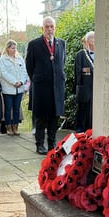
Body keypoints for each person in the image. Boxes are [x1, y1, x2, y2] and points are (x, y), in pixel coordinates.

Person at [25, 16, 66, 155]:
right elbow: (29, 66)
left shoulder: (61, 43)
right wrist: (37, 78)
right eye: (47, 27)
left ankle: (52, 143)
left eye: (52, 26)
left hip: (57, 87)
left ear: (55, 28)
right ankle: (39, 144)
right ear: (42, 28)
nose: (49, 29)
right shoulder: (34, 44)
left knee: (55, 117)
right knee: (41, 118)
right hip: (41, 87)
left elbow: (62, 63)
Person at [0, 39, 29, 136]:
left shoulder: (19, 59)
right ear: (7, 48)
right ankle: (8, 127)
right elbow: (4, 73)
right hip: (8, 88)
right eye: (12, 48)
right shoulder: (2, 60)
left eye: (15, 48)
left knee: (16, 108)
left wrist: (22, 81)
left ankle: (15, 127)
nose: (14, 50)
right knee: (8, 108)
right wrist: (14, 82)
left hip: (19, 88)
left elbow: (24, 71)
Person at [74, 30, 95, 133]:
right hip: (85, 89)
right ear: (87, 41)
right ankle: (80, 132)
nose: (95, 41)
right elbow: (78, 73)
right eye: (93, 39)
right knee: (83, 112)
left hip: (96, 90)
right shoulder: (80, 55)